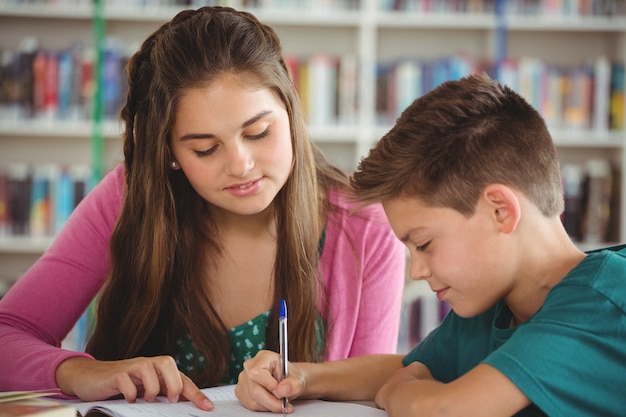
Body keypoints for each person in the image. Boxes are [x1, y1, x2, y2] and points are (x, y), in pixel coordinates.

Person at [0, 6, 406, 410]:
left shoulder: (364, 225)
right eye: (205, 149)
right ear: (171, 152)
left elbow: (372, 392)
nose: (240, 165)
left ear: (291, 109)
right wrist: (76, 371)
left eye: (259, 132)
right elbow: (8, 330)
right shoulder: (130, 197)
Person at [235, 73, 626, 416]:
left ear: (500, 211)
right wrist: (302, 375)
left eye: (422, 244)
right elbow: (409, 365)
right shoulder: (489, 305)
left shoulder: (602, 300)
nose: (416, 271)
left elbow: (444, 408)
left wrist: (402, 391)